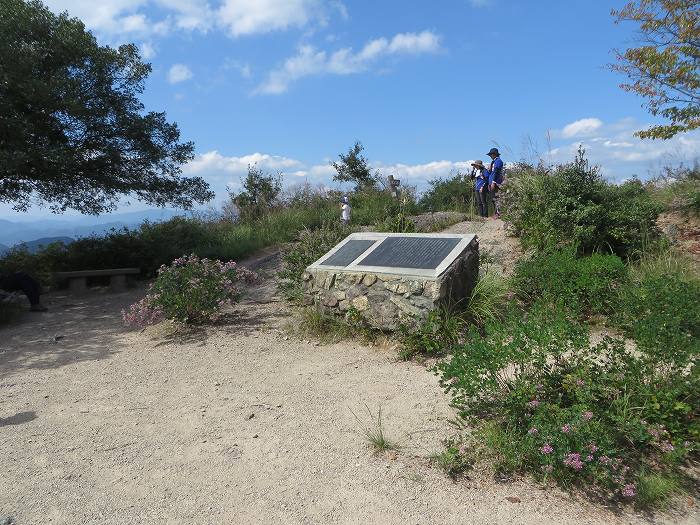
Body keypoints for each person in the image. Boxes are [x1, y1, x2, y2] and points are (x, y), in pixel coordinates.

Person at [486, 147, 505, 218]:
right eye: (490, 154)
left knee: (497, 198)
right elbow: (491, 173)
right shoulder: (493, 162)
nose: (490, 156)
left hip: (496, 182)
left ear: (495, 154)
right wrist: (489, 182)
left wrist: (493, 182)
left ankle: (499, 213)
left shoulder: (498, 161)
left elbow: (496, 172)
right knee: (493, 198)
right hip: (491, 182)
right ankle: (496, 213)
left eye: (491, 154)